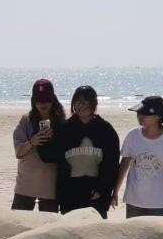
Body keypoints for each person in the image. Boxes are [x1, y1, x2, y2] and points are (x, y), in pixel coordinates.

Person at [36, 85, 119, 218]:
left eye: (85, 101)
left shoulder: (105, 130)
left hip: (96, 197)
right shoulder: (65, 129)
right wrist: (44, 139)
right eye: (77, 101)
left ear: (93, 103)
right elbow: (48, 156)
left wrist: (103, 189)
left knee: (96, 230)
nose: (80, 105)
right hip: (70, 196)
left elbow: (112, 165)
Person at [112, 96, 163, 218]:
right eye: (139, 113)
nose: (140, 116)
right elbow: (124, 164)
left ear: (158, 116)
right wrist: (115, 191)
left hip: (160, 203)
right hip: (134, 201)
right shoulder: (132, 135)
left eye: (145, 113)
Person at [10, 79, 64, 212]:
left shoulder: (61, 122)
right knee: (18, 221)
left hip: (50, 185)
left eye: (46, 99)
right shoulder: (26, 120)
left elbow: (66, 153)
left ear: (52, 99)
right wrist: (31, 142)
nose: (42, 104)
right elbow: (19, 153)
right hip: (26, 184)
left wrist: (55, 139)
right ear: (33, 101)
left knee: (48, 223)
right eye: (39, 100)